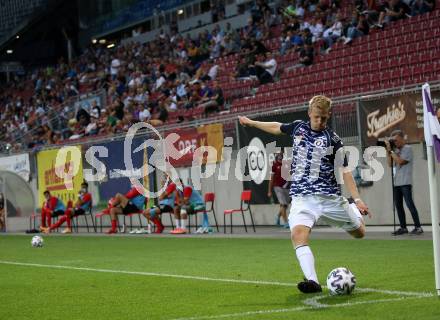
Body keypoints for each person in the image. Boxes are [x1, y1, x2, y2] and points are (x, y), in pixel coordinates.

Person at [238, 95, 370, 293]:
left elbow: (345, 171)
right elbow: (276, 127)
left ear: (328, 116)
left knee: (359, 234)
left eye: (324, 118)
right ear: (309, 114)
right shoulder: (298, 127)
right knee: (297, 235)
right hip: (302, 198)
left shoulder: (333, 140)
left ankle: (351, 209)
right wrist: (252, 123)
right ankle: (313, 281)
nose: (320, 121)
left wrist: (357, 199)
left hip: (329, 198)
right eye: (317, 117)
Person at [385, 130, 423, 235]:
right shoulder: (395, 151)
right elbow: (390, 164)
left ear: (402, 138)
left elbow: (401, 161)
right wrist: (388, 152)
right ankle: (403, 227)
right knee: (398, 206)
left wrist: (392, 152)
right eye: (393, 141)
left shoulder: (408, 149)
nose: (395, 142)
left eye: (396, 140)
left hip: (405, 182)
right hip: (397, 182)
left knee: (410, 204)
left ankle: (418, 227)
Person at [268, 150, 290, 228]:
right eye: (278, 155)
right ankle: (286, 222)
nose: (280, 156)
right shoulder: (274, 165)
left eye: (281, 154)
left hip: (286, 187)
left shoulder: (286, 164)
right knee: (283, 205)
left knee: (285, 206)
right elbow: (271, 179)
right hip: (277, 187)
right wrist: (269, 191)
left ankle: (277, 217)